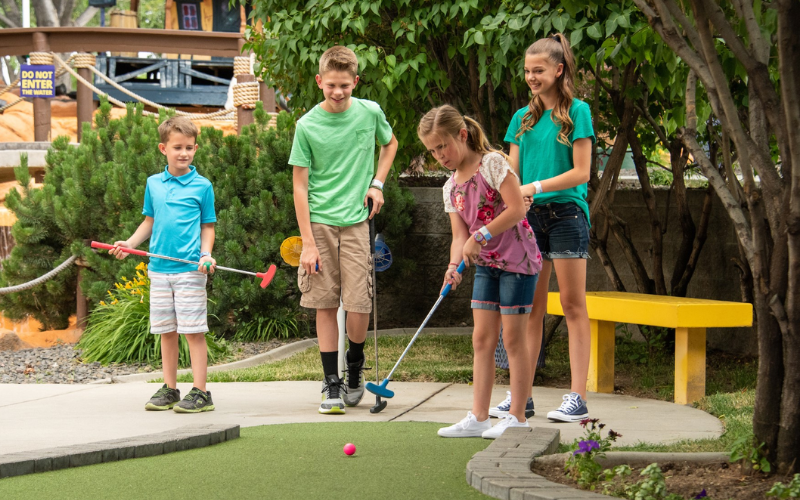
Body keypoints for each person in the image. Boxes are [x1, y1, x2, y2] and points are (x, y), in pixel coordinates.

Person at [418, 105, 542, 439]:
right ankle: (479, 417)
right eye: (432, 150)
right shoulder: (450, 187)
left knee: (513, 339)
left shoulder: (492, 163)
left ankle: (517, 417)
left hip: (518, 261)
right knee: (482, 339)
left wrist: (481, 235)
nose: (439, 155)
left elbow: (516, 209)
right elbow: (459, 237)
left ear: (462, 134)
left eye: (443, 145)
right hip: (487, 265)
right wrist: (452, 267)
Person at [492, 33, 596, 423]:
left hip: (567, 215)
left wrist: (534, 187)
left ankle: (577, 398)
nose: (531, 77)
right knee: (530, 307)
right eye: (526, 71)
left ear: (558, 69)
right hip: (528, 219)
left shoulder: (578, 112)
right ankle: (524, 397)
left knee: (572, 305)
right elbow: (512, 170)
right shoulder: (522, 118)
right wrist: (511, 197)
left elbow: (581, 172)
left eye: (538, 70)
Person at [290, 46, 398, 414]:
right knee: (324, 302)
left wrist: (377, 183)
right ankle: (331, 384)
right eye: (331, 85)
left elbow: (390, 143)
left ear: (355, 82)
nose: (338, 93)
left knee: (358, 301)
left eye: (345, 86)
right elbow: (300, 187)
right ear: (320, 81)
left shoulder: (370, 112)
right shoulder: (306, 125)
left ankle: (354, 366)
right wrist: (307, 243)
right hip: (319, 223)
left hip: (356, 221)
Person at [110, 116, 218, 413]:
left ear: (195, 149)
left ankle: (201, 392)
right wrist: (130, 244)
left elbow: (208, 226)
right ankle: (170, 388)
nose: (184, 153)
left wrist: (205, 254)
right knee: (166, 331)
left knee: (193, 332)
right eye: (177, 147)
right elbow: (150, 221)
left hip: (189, 270)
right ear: (163, 148)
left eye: (190, 148)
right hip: (158, 270)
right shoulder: (153, 184)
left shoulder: (202, 186)